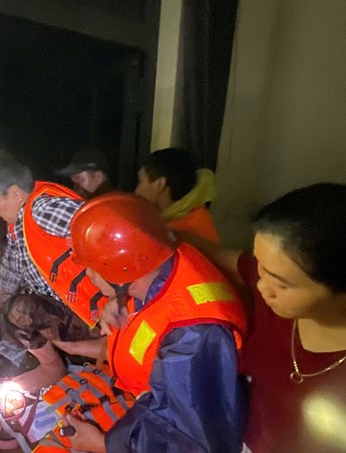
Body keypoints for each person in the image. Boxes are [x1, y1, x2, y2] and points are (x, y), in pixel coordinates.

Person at [53, 193, 248, 452]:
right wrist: (120, 297)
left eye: (93, 266)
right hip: (151, 401)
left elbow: (189, 440)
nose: (88, 274)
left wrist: (102, 444)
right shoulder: (164, 264)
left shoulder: (192, 334)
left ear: (121, 267)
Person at [177, 183, 346, 452]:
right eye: (260, 266)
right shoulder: (275, 297)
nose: (261, 285)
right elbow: (219, 255)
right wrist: (159, 232)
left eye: (281, 284)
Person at [0, 151, 104, 392]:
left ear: (14, 193)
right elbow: (7, 276)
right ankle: (55, 365)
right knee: (12, 315)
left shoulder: (43, 209)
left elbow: (105, 230)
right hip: (72, 309)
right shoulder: (18, 228)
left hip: (99, 313)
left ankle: (65, 362)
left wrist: (118, 297)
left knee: (19, 311)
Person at [135, 147, 220, 242]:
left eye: (140, 181)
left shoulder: (175, 235)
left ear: (160, 184)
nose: (137, 191)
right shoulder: (195, 214)